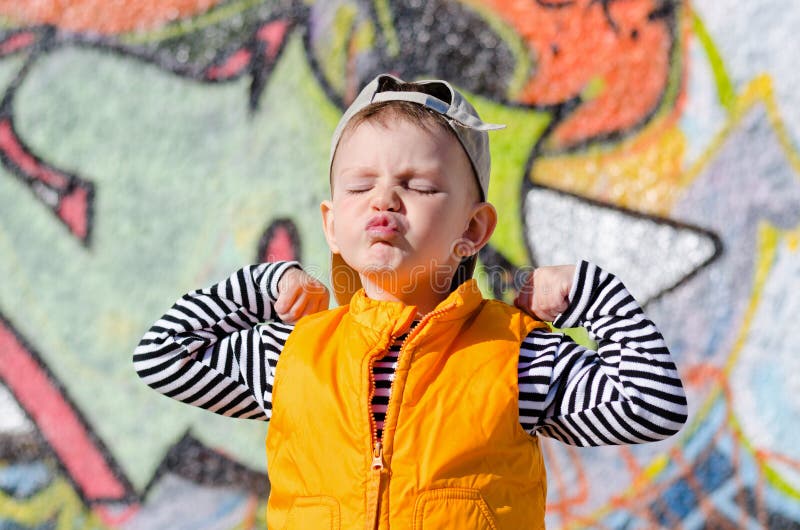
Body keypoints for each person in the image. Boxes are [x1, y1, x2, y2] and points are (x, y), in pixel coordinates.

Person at [133, 74, 688, 529]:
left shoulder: (516, 358)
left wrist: (587, 296)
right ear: (331, 225)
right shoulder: (292, 354)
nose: (384, 199)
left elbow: (653, 404)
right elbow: (162, 355)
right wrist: (262, 286)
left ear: (473, 228)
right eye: (359, 186)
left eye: (418, 185)